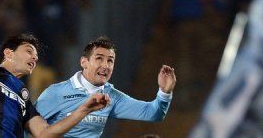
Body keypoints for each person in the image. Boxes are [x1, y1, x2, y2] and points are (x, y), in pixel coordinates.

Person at [35, 37, 177, 137]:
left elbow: (153, 113)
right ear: (84, 62)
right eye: (99, 58)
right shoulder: (56, 93)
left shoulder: (111, 97)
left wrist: (165, 92)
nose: (105, 66)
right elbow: (27, 125)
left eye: (110, 61)